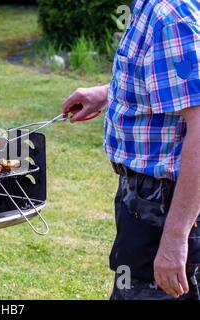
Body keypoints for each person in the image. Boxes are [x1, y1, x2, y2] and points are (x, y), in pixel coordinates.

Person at [62, 0, 200, 300]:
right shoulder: (150, 9)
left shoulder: (170, 17)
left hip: (166, 203)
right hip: (144, 200)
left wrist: (175, 239)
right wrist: (110, 93)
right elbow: (169, 82)